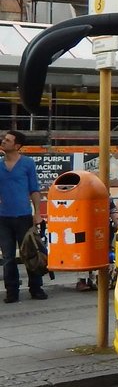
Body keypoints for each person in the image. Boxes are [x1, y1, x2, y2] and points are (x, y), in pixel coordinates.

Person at [1, 129, 46, 302]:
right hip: (3, 218)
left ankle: (36, 288)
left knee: (31, 252)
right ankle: (12, 292)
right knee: (8, 257)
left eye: (8, 140)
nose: (3, 141)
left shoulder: (27, 163)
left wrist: (38, 214)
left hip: (24, 216)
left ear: (17, 145)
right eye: (3, 139)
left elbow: (34, 189)